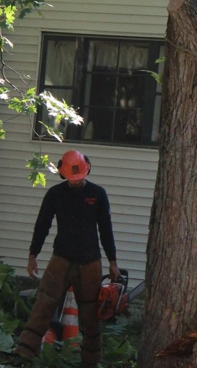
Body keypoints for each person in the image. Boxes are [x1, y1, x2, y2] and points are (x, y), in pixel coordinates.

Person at [15, 150, 121, 368]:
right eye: (71, 179)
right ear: (63, 174)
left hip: (90, 261)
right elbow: (42, 225)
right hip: (60, 259)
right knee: (44, 303)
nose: (75, 182)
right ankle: (23, 354)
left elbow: (106, 229)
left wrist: (112, 261)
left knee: (91, 313)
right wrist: (32, 255)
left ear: (87, 169)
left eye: (79, 176)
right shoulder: (55, 194)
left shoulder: (98, 194)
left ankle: (91, 362)